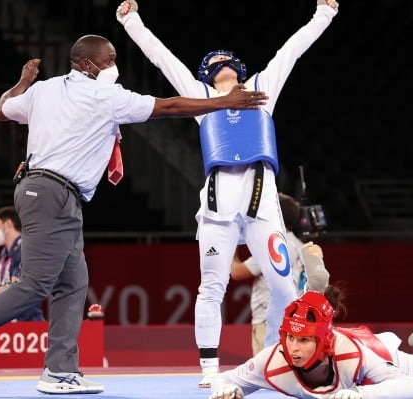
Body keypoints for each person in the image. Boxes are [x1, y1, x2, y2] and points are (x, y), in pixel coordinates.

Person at [0, 33, 268, 395]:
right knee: (36, 284)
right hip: (49, 192)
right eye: (109, 60)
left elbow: (1, 110)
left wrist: (23, 83)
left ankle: (59, 371)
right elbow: (168, 107)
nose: (114, 66)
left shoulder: (44, 90)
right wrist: (222, 102)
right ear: (87, 64)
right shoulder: (105, 96)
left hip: (58, 195)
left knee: (72, 285)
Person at [116, 0, 339, 386]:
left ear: (239, 69)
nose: (223, 68)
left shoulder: (262, 89)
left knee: (285, 287)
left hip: (263, 207)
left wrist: (324, 14)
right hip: (218, 208)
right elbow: (162, 59)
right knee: (211, 286)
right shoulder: (201, 98)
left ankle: (273, 355)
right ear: (207, 73)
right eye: (216, 65)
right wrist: (131, 20)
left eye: (228, 63)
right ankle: (208, 369)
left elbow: (292, 49)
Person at [210, 289, 413, 399]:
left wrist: (360, 395)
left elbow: (409, 387)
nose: (293, 348)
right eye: (290, 338)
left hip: (383, 362)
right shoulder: (273, 360)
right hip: (360, 368)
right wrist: (226, 389)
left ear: (323, 342)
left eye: (304, 340)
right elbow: (223, 378)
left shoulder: (351, 355)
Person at [231, 193, 330, 355]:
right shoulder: (300, 245)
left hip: (268, 320)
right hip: (294, 320)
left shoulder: (275, 246)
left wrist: (232, 241)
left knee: (266, 373)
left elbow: (236, 272)